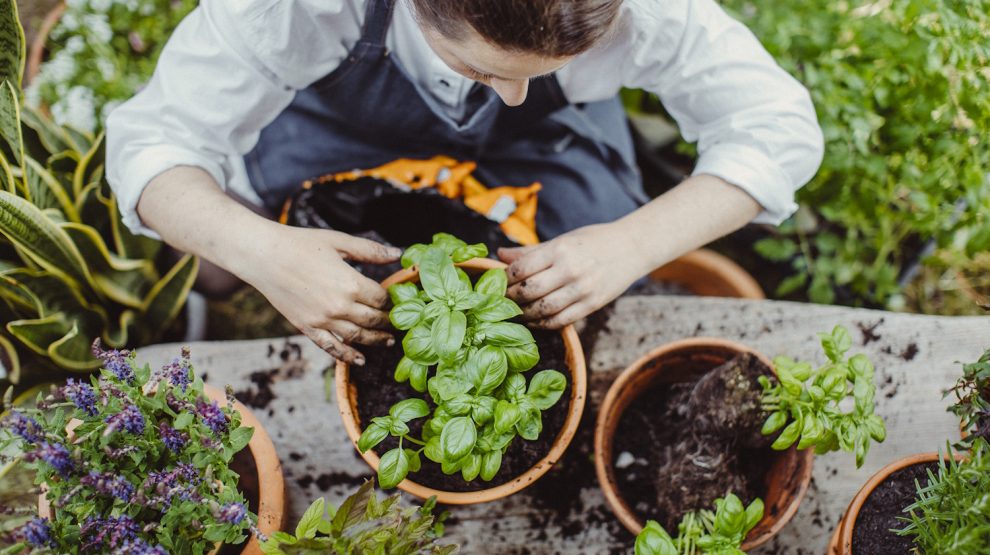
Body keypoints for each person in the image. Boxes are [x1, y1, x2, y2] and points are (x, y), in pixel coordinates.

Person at [106, 0, 823, 366]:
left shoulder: (648, 10)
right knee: (224, 237)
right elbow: (154, 143)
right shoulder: (292, 8)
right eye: (481, 71)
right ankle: (211, 305)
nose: (508, 93)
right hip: (335, 126)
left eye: (538, 72)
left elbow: (780, 129)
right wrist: (260, 253)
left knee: (582, 280)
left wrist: (630, 244)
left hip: (541, 145)